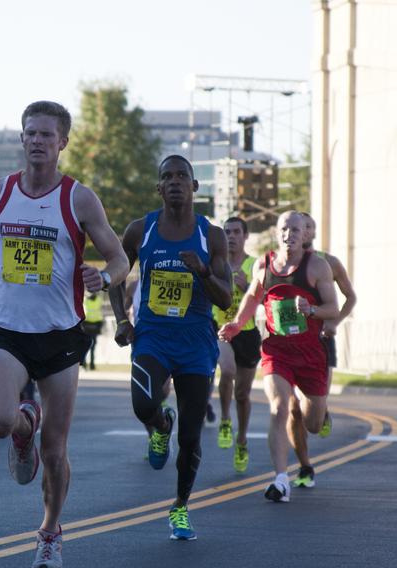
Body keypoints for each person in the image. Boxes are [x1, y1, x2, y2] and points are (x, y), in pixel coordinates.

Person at [0, 101, 128, 568]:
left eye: (46, 135)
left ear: (63, 143)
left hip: (60, 336)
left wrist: (105, 279)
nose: (36, 141)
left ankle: (49, 531)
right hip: (7, 329)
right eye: (30, 133)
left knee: (55, 453)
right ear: (21, 138)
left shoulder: (79, 199)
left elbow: (119, 258)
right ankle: (22, 425)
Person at [109, 154, 232, 540]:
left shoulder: (211, 236)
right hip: (153, 336)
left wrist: (203, 271)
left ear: (195, 187)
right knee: (143, 404)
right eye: (167, 176)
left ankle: (180, 506)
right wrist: (122, 320)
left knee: (192, 437)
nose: (175, 181)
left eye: (183, 176)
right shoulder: (139, 230)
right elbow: (116, 275)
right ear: (159, 188)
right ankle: (160, 425)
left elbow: (226, 299)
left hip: (196, 342)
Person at [220, 211, 339, 503]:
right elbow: (251, 297)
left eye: (296, 229)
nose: (291, 234)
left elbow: (333, 308)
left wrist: (311, 310)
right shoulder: (265, 264)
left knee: (312, 423)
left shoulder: (318, 267)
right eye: (285, 228)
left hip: (311, 353)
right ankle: (281, 480)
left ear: (305, 235)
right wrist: (237, 324)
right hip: (277, 350)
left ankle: (320, 411)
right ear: (277, 233)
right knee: (278, 406)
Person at [285, 212, 358, 488]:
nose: (300, 232)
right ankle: (304, 466)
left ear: (311, 233)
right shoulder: (281, 262)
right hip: (287, 344)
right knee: (291, 408)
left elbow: (351, 297)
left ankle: (321, 409)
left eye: (307, 227)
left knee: (311, 416)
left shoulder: (328, 263)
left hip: (320, 341)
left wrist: (334, 322)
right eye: (294, 227)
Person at [211, 217, 261, 473]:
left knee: (243, 394)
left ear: (245, 236)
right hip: (220, 328)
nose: (231, 236)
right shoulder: (217, 263)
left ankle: (242, 440)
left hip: (248, 333)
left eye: (236, 232)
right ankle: (225, 420)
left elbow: (266, 297)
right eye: (227, 232)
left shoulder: (254, 266)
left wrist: (247, 287)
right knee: (227, 370)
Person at [81, 291, 104, 370]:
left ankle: (90, 364)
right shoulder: (86, 300)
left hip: (93, 326)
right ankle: (86, 364)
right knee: (87, 346)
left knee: (91, 347)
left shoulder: (96, 300)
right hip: (88, 325)